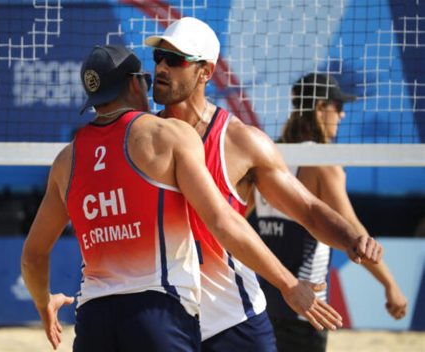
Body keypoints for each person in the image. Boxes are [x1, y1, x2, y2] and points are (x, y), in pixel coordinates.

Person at [21, 45, 342, 352]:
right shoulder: (166, 135)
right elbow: (221, 221)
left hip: (92, 318)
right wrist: (288, 284)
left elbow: (33, 256)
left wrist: (42, 301)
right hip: (157, 311)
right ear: (136, 84)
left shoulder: (66, 161)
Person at [145, 17, 383, 352]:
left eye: (175, 59)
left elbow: (310, 211)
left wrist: (351, 239)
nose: (162, 68)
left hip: (230, 318)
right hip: (164, 317)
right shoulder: (140, 136)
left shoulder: (241, 142)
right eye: (158, 58)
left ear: (206, 72)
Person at [248, 72, 408, 352]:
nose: (343, 116)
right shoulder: (323, 164)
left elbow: (235, 219)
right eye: (339, 106)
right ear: (321, 107)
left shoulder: (268, 156)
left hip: (264, 301)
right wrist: (390, 284)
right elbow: (354, 232)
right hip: (305, 306)